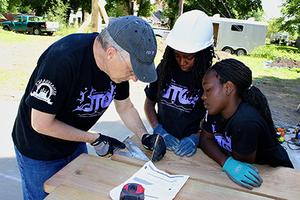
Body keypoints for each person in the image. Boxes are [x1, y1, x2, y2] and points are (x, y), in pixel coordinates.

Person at [12, 15, 165, 200]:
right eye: (132, 71)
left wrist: (145, 136)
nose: (134, 78)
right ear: (111, 53)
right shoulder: (63, 60)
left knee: (77, 195)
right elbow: (41, 124)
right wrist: (95, 138)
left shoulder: (117, 69)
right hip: (38, 150)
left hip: (74, 142)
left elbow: (125, 107)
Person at [200, 58, 293, 190]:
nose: (203, 96)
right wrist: (226, 162)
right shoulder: (215, 109)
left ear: (228, 88)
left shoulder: (245, 122)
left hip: (273, 176)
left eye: (208, 90)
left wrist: (227, 162)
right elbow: (204, 139)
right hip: (248, 172)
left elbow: (242, 166)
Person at [144, 10, 215, 157]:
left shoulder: (209, 78)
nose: (182, 62)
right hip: (162, 140)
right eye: (177, 56)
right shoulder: (164, 69)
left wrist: (196, 137)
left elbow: (212, 118)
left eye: (189, 57)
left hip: (191, 147)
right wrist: (158, 129)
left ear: (202, 54)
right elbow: (149, 104)